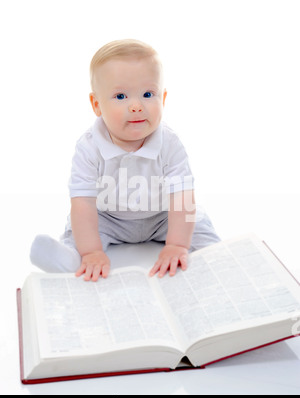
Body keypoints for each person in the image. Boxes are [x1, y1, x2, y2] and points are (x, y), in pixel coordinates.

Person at [30, 39, 220, 282]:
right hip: (109, 218)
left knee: (198, 224)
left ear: (162, 99)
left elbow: (182, 195)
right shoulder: (89, 147)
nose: (136, 106)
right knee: (80, 231)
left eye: (148, 94)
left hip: (162, 216)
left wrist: (177, 244)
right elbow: (83, 203)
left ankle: (217, 257)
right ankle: (71, 259)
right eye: (120, 96)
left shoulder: (169, 142)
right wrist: (92, 250)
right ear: (96, 104)